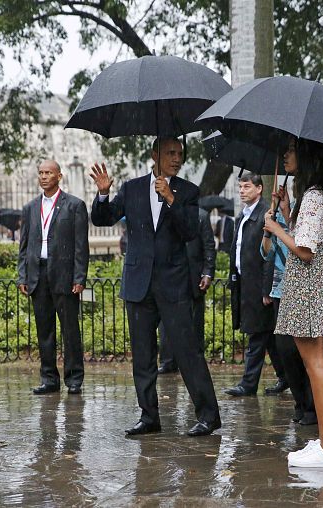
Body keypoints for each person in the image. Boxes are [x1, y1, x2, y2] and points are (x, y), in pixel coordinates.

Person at [89, 137, 221, 437]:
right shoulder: (132, 188)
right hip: (139, 284)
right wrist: (103, 193)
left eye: (180, 153)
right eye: (170, 153)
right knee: (143, 355)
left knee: (188, 352)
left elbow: (190, 232)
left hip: (174, 284)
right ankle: (149, 416)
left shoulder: (188, 191)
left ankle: (208, 416)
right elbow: (102, 218)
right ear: (154, 155)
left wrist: (171, 199)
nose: (177, 159)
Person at [264, 137, 323, 468]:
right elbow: (308, 237)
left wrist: (275, 227)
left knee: (315, 364)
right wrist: (285, 211)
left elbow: (305, 251)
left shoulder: (313, 196)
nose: (286, 154)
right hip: (311, 282)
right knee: (314, 363)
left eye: (292, 150)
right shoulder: (315, 195)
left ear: (307, 155)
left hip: (307, 283)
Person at [17, 160, 89, 395]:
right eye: (41, 173)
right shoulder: (30, 208)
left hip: (64, 275)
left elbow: (81, 246)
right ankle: (49, 379)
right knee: (44, 330)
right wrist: (22, 276)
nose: (44, 176)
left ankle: (74, 379)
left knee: (70, 329)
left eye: (48, 173)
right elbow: (24, 246)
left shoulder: (74, 205)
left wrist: (79, 277)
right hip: (38, 275)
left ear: (59, 176)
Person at [225, 171, 285, 396]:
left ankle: (248, 384)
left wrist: (267, 288)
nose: (242, 191)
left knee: (257, 334)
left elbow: (270, 254)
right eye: (240, 187)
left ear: (259, 188)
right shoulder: (242, 215)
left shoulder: (266, 214)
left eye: (247, 186)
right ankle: (286, 376)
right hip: (244, 282)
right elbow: (237, 248)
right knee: (267, 335)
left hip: (259, 284)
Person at [261, 182, 317, 425]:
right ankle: (300, 403)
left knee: (305, 352)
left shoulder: (311, 211)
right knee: (285, 350)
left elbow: (304, 248)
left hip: (304, 290)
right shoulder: (283, 210)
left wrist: (282, 221)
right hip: (280, 290)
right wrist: (269, 228)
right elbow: (266, 252)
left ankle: (312, 407)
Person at [158, 207, 216, 375]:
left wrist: (207, 272)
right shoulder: (163, 214)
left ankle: (194, 362)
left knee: (194, 323)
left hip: (192, 277)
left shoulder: (201, 216)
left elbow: (209, 246)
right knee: (166, 323)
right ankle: (168, 361)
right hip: (168, 277)